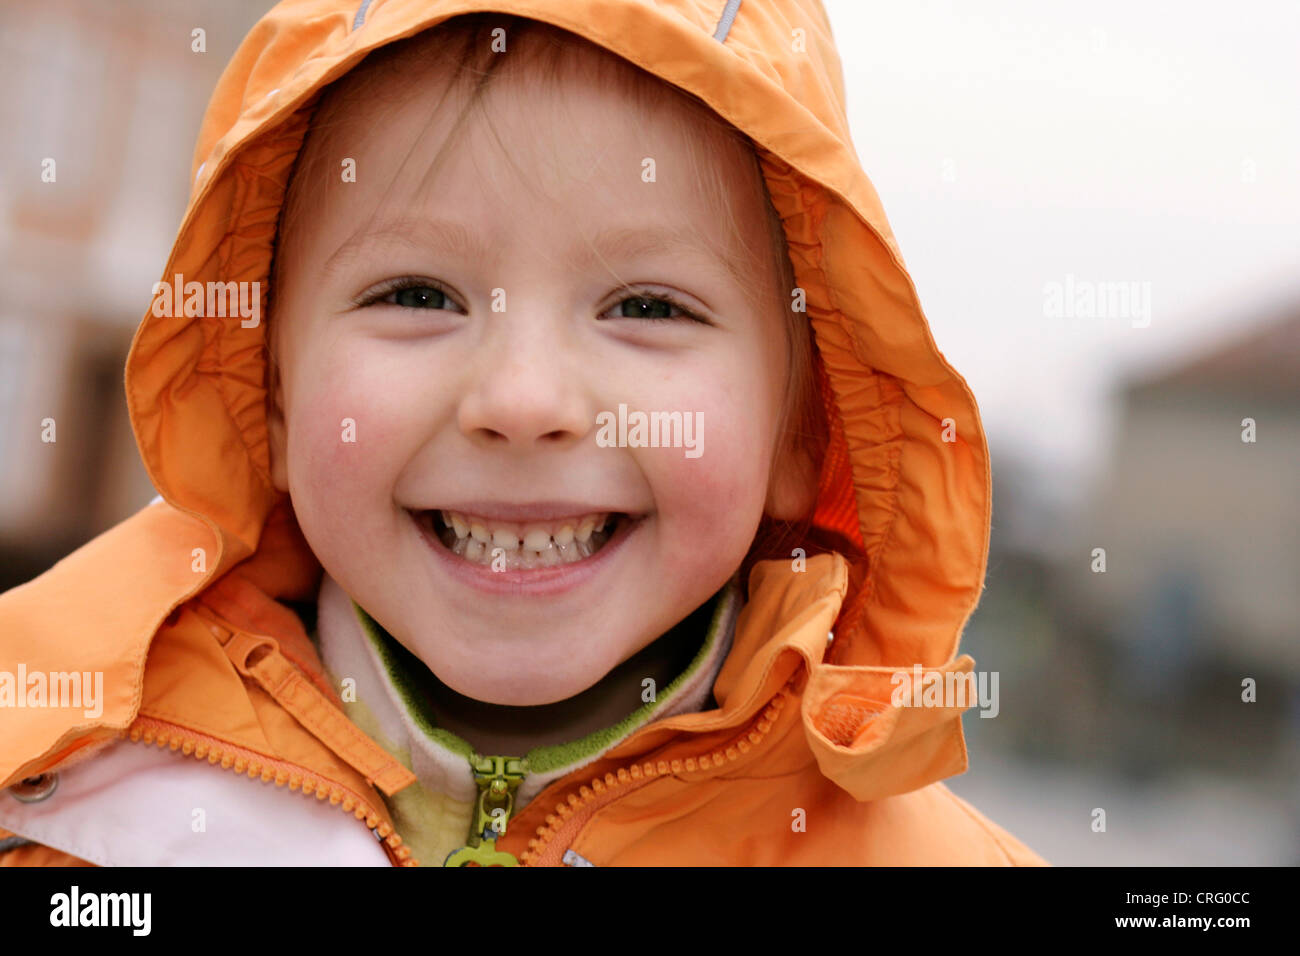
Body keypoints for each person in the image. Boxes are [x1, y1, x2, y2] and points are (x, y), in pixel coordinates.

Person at [0, 0, 1046, 866]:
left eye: (646, 307)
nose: (522, 398)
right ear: (267, 399)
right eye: (417, 292)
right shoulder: (50, 794)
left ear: (797, 434)